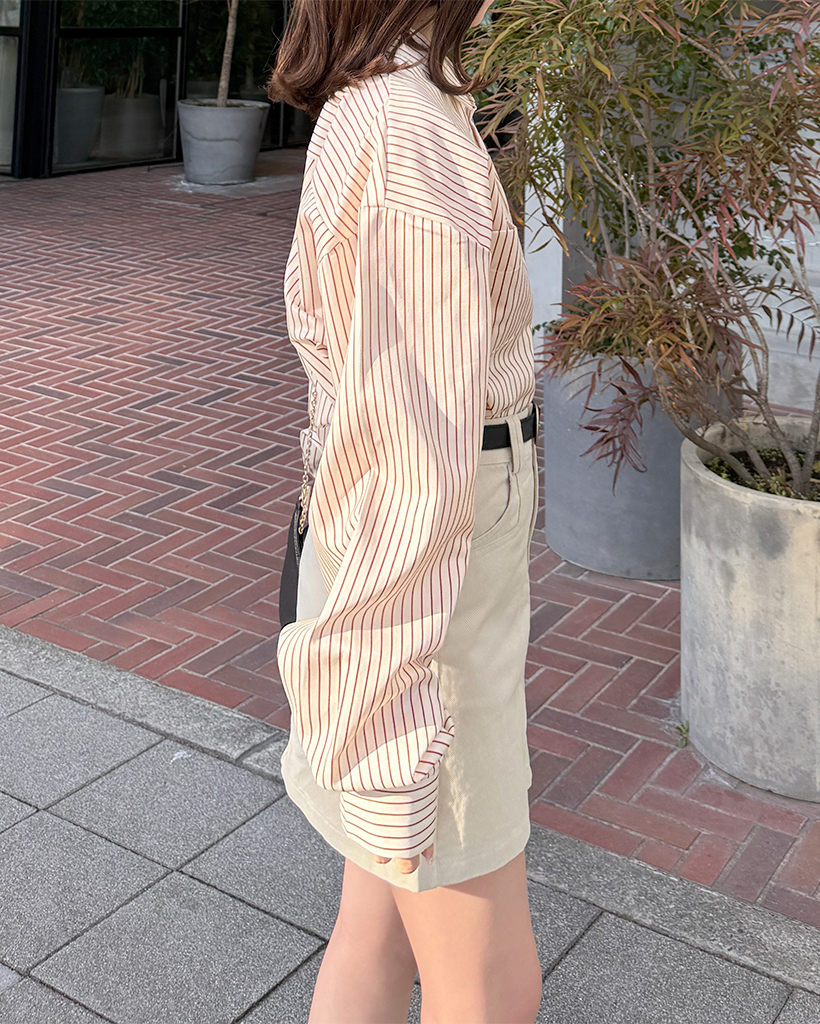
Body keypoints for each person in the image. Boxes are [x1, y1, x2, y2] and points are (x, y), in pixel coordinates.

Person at [268, 1, 542, 1020]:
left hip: (417, 535)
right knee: (481, 973)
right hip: (432, 554)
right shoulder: (405, 132)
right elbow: (408, 462)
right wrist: (386, 727)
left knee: (378, 920)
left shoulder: (393, 104)